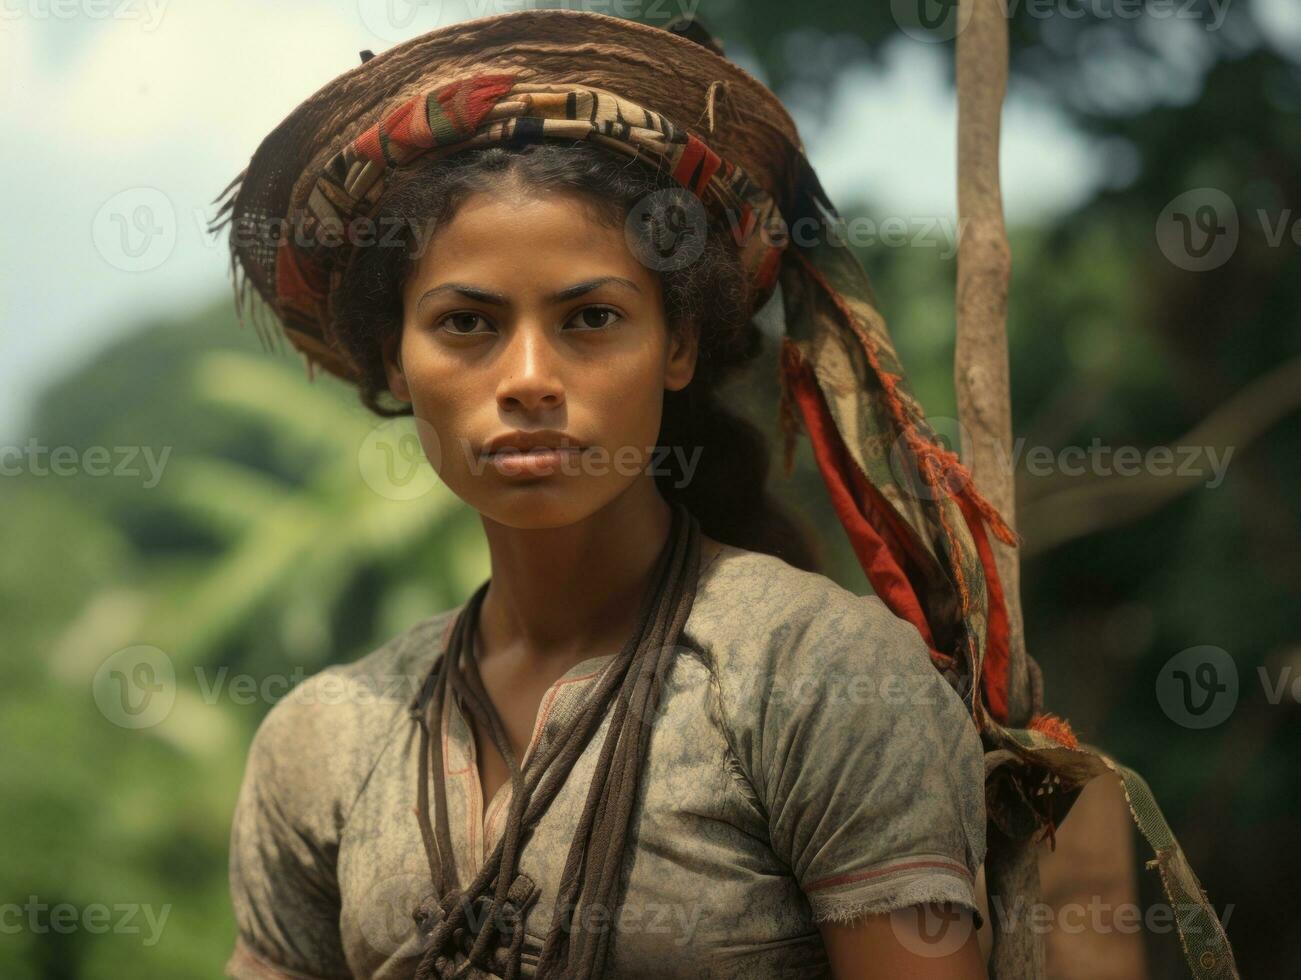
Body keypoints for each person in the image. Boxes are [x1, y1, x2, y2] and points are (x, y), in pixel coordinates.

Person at [213, 10, 1002, 979]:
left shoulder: (814, 673)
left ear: (675, 346)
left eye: (591, 317)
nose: (529, 377)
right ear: (393, 356)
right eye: (465, 322)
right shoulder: (325, 737)